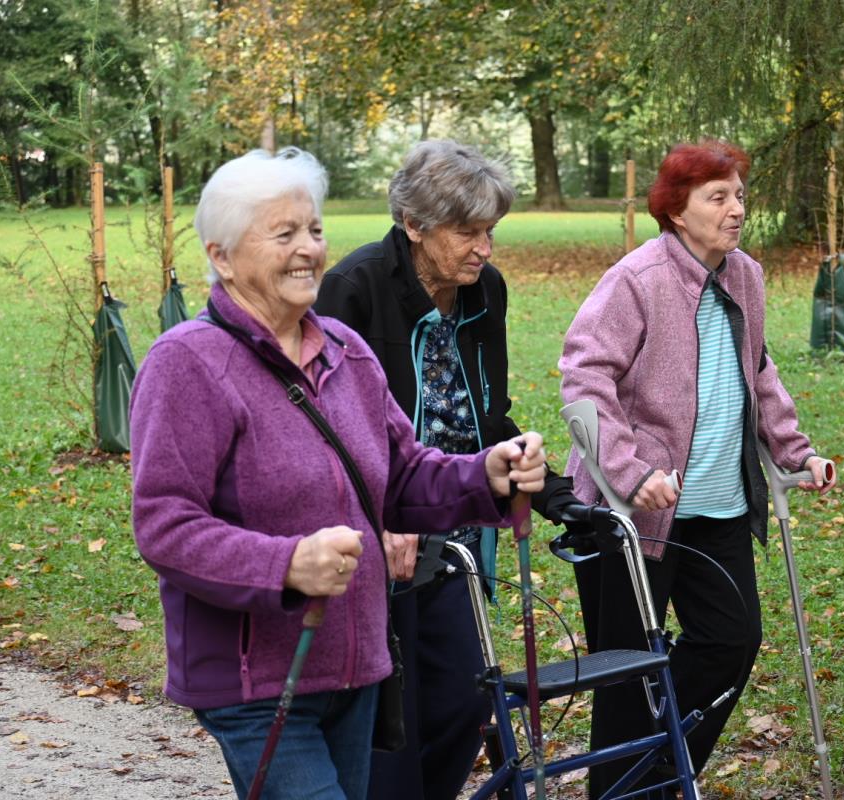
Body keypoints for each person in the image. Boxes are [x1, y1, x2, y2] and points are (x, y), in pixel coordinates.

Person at [129, 147, 547, 800]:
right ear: (222, 257)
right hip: (256, 682)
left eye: (315, 229)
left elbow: (403, 478)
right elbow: (165, 525)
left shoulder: (347, 353)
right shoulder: (188, 363)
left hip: (356, 668)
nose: (308, 249)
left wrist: (485, 475)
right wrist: (286, 565)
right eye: (284, 234)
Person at [559, 139, 837, 799]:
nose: (737, 209)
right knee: (628, 679)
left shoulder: (746, 276)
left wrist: (796, 453)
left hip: (719, 506)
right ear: (677, 209)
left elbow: (757, 370)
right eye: (719, 197)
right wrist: (629, 474)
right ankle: (627, 786)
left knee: (730, 643)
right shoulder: (637, 279)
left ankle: (658, 772)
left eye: (739, 195)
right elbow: (583, 379)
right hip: (632, 517)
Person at [314, 139, 580, 800]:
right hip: (377, 538)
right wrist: (375, 519)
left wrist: (552, 488)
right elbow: (322, 429)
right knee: (392, 729)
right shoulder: (353, 289)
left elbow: (490, 415)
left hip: (457, 530)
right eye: (467, 232)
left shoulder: (484, 291)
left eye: (491, 231)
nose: (484, 248)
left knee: (464, 706)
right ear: (414, 224)